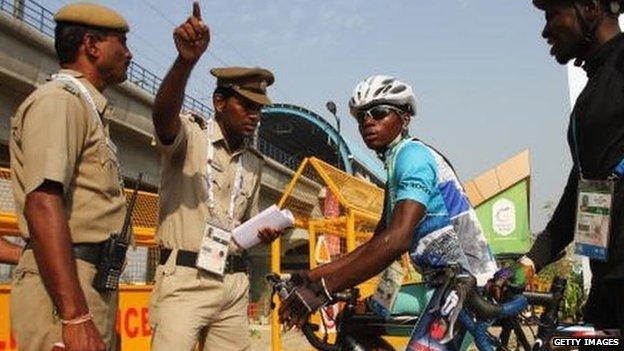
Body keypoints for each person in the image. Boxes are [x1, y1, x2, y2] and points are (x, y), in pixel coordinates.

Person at [278, 75, 498, 349]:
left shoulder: (413, 157)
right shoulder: (395, 163)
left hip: (467, 287)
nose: (368, 121)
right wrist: (312, 276)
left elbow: (397, 240)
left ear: (404, 118)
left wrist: (324, 290)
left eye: (379, 113)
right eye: (361, 118)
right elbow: (377, 242)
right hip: (440, 282)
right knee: (359, 315)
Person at [149, 3, 283, 350]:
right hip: (185, 281)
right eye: (246, 105)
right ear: (220, 102)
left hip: (233, 282)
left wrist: (261, 234)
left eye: (259, 109)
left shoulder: (254, 162)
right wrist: (185, 62)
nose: (255, 115)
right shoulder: (191, 136)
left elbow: (243, 226)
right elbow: (162, 118)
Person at [9, 2, 132, 350]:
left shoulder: (85, 107)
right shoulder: (59, 102)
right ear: (91, 45)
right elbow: (42, 203)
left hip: (88, 282)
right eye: (120, 43)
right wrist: (76, 316)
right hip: (65, 289)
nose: (128, 54)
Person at [498, 0, 624, 330]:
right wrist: (528, 263)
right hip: (607, 287)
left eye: (553, 14)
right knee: (564, 342)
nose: (545, 30)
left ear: (591, 8)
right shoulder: (593, 92)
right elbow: (579, 195)